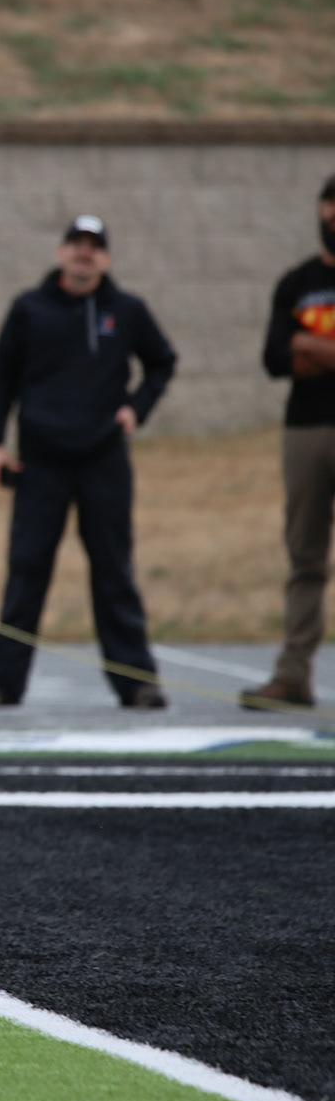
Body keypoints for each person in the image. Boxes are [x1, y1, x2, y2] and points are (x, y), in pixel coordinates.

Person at [0, 216, 177, 711]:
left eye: (94, 247)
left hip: (104, 458)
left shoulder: (126, 310)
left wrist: (137, 409)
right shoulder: (29, 309)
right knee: (27, 570)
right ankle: (1, 683)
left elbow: (162, 361)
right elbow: (1, 378)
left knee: (114, 570)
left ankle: (136, 681)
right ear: (61, 252)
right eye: (77, 244)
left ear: (106, 258)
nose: (85, 254)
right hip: (42, 462)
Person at [239, 174, 335, 711]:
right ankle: (294, 675)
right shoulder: (296, 282)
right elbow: (276, 358)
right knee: (305, 556)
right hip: (305, 429)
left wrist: (309, 344)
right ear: (321, 210)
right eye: (332, 204)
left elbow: (297, 349)